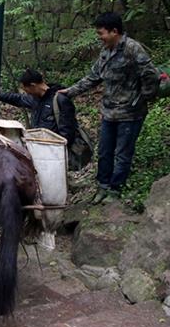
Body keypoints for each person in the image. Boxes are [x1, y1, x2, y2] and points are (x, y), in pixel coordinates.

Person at [59, 12, 159, 203]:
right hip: (108, 113)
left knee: (122, 154)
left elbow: (150, 75)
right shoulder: (106, 51)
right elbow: (93, 77)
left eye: (101, 33)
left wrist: (144, 97)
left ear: (115, 31)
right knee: (104, 151)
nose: (99, 38)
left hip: (130, 114)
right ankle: (102, 187)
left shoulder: (133, 49)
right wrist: (70, 92)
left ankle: (115, 190)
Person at [0, 68, 77, 145]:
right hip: (37, 146)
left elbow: (67, 134)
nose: (26, 93)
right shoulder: (35, 99)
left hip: (55, 151)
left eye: (26, 90)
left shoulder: (60, 100)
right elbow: (18, 98)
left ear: (33, 85)